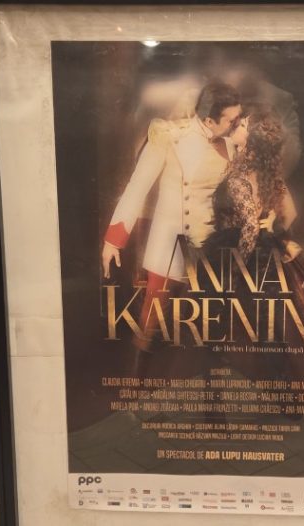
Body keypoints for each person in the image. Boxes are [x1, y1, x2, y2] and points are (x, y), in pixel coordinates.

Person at [101, 82, 242, 371]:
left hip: (209, 248)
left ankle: (209, 387)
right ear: (209, 120)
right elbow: (137, 187)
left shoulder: (231, 146)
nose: (237, 124)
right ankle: (137, 384)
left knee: (210, 325)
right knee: (150, 323)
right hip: (169, 245)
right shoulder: (168, 136)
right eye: (231, 120)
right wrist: (113, 239)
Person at [204, 109, 304, 380]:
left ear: (252, 139)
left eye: (243, 125)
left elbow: (249, 227)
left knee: (237, 329)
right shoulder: (265, 171)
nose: (237, 125)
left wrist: (234, 272)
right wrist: (271, 226)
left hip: (241, 254)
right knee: (267, 331)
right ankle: (272, 387)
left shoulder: (240, 176)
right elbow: (290, 214)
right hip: (263, 255)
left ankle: (233, 384)